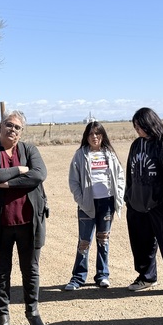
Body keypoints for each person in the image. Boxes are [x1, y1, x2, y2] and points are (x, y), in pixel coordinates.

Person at [0, 111, 49, 325]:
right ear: (0, 126)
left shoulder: (29, 150)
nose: (13, 130)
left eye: (18, 127)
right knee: (1, 273)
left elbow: (39, 174)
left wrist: (7, 183)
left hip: (29, 221)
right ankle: (3, 317)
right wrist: (20, 170)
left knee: (31, 270)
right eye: (9, 125)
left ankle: (33, 311)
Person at [125, 108, 163, 291]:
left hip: (159, 205)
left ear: (150, 124)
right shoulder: (136, 145)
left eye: (140, 126)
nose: (138, 130)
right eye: (135, 127)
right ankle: (147, 277)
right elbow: (129, 172)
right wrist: (129, 197)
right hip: (137, 204)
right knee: (141, 244)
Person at [65, 121, 125, 290]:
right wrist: (81, 199)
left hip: (106, 202)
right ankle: (78, 278)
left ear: (103, 135)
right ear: (86, 137)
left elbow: (120, 176)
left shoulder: (110, 154)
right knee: (84, 242)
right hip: (87, 204)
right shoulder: (80, 155)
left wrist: (118, 195)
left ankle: (102, 275)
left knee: (103, 239)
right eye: (91, 134)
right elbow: (73, 181)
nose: (94, 137)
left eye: (97, 134)